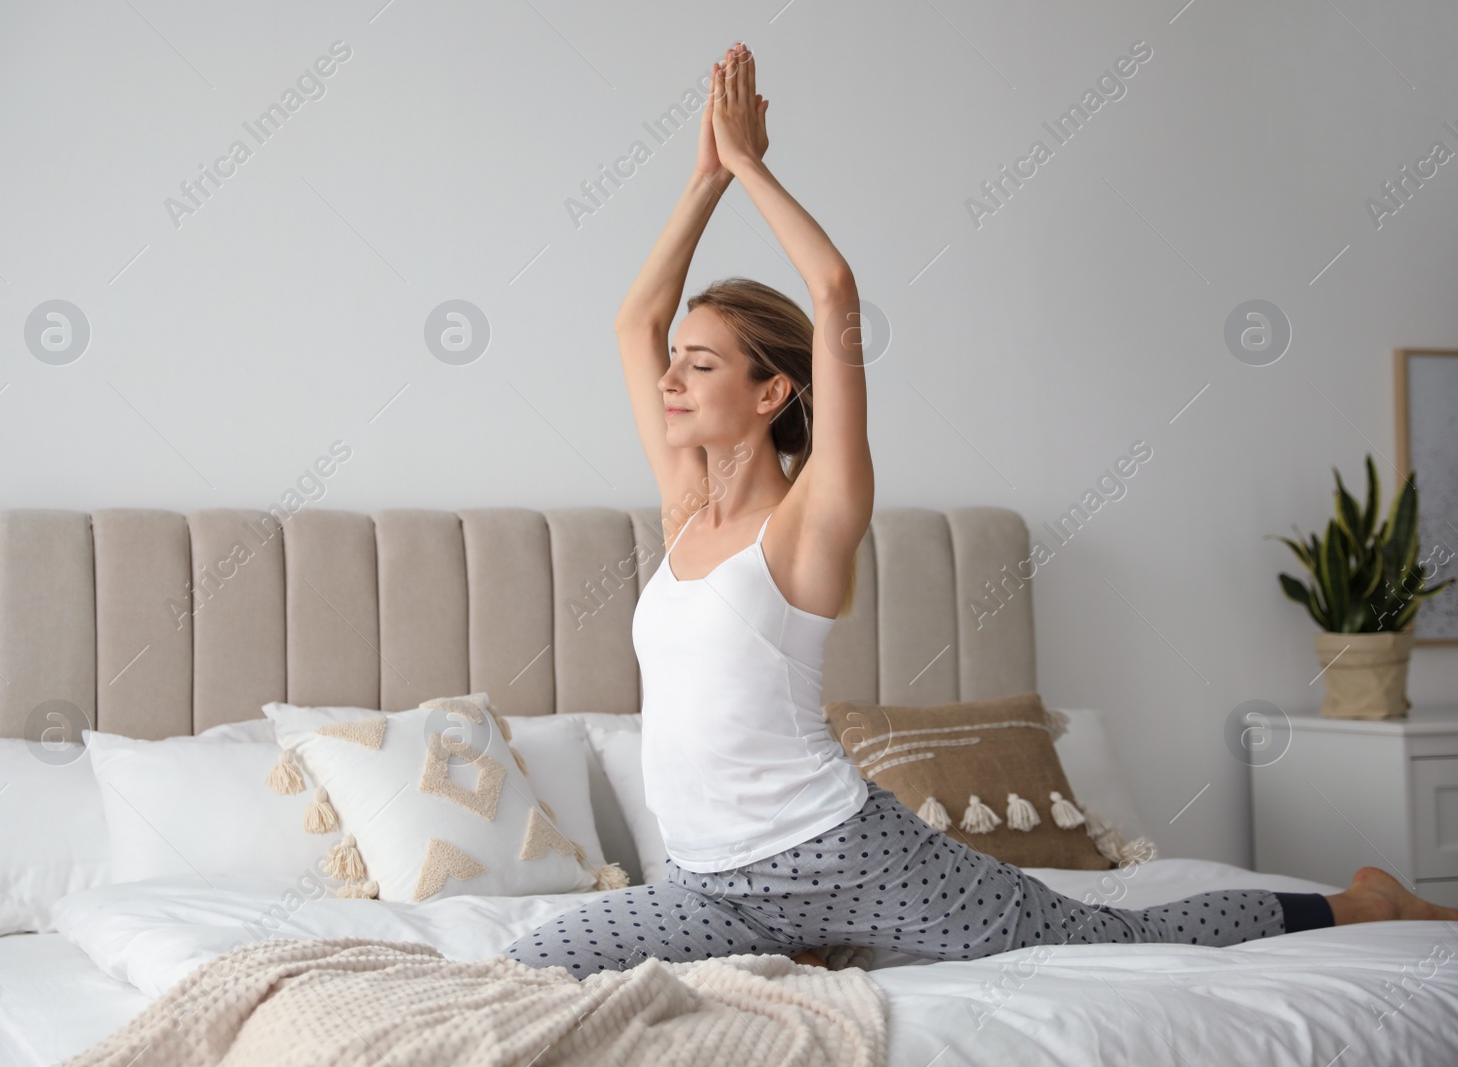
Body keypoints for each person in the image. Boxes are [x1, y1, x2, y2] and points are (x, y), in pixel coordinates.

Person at [503, 41, 1458, 979]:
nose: (668, 377)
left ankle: (1361, 899)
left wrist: (752, 164)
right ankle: (807, 944)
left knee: (1107, 939)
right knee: (531, 960)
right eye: (677, 363)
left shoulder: (808, 521)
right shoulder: (684, 512)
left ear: (772, 394)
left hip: (844, 852)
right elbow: (636, 319)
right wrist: (706, 176)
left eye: (698, 363)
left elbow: (834, 290)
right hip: (712, 881)